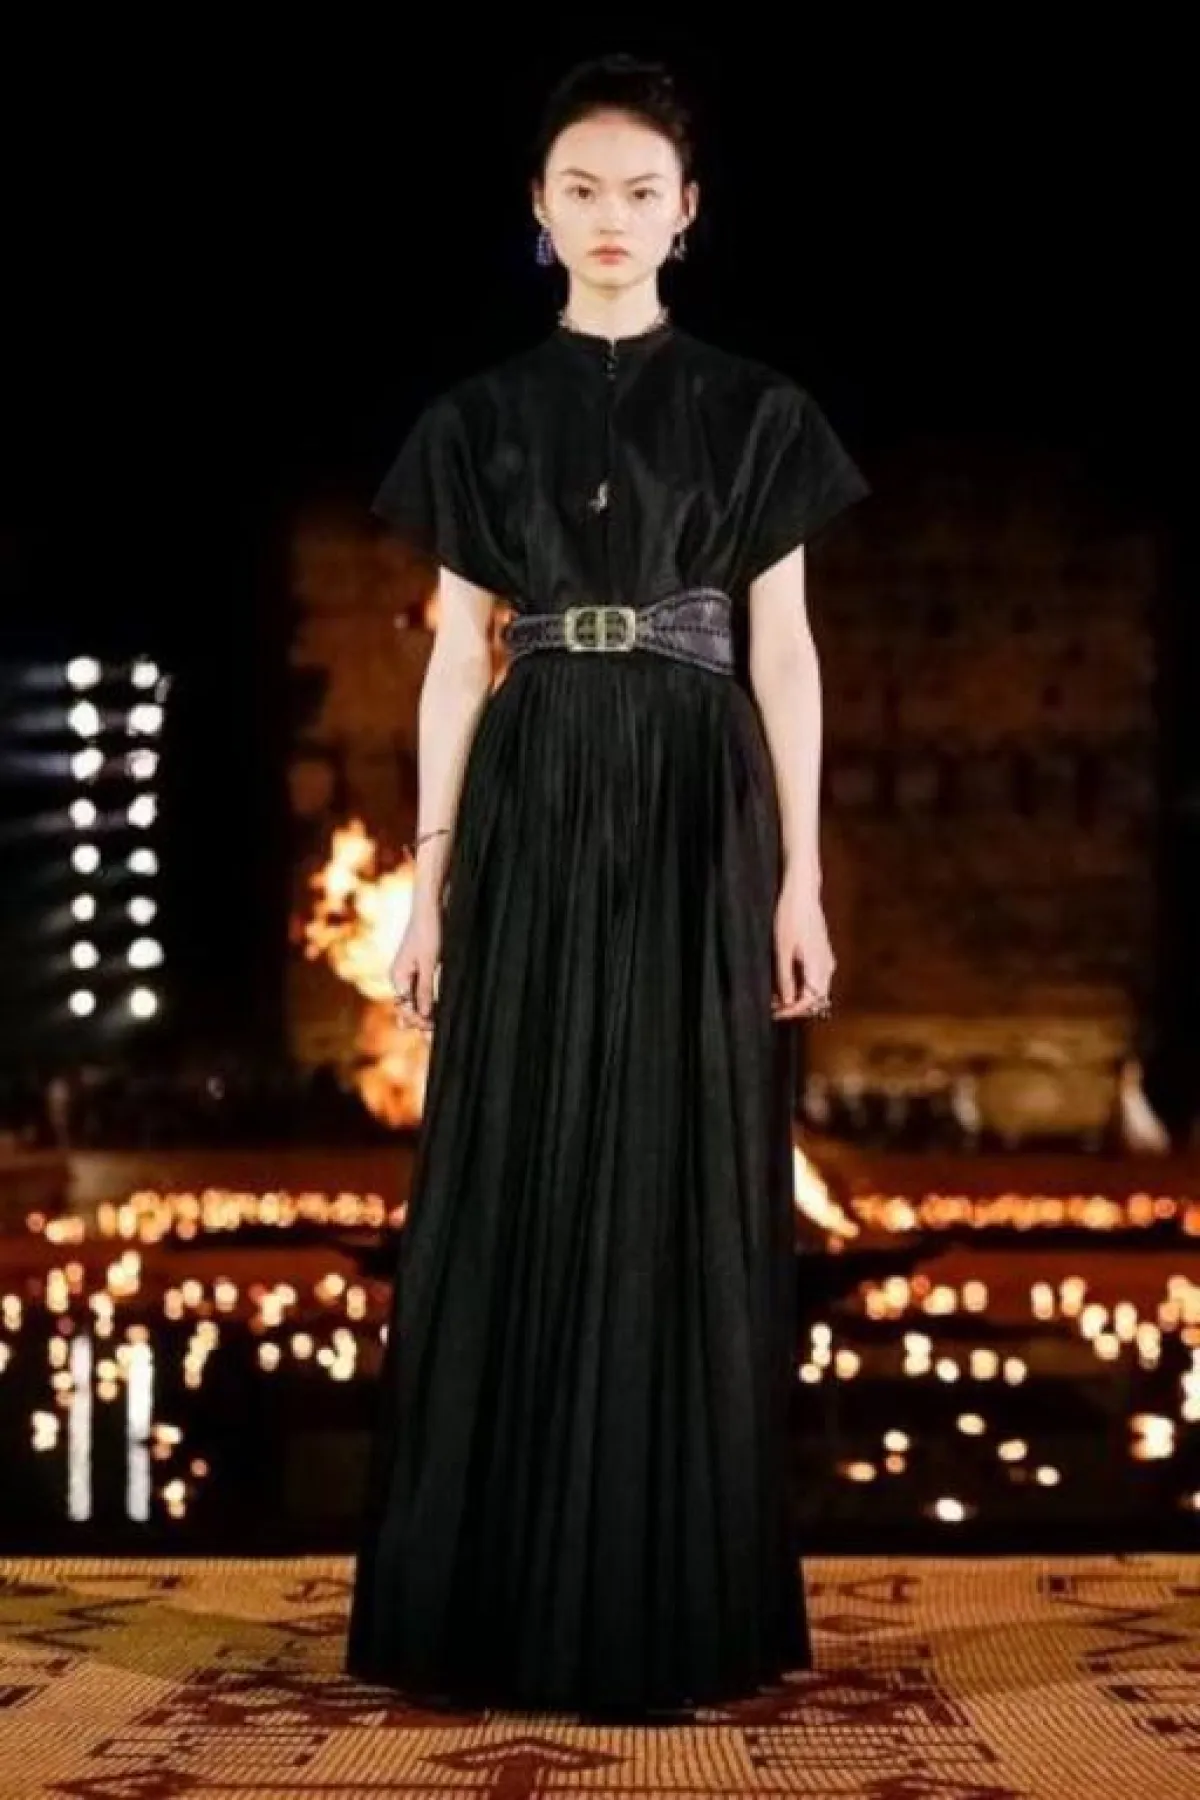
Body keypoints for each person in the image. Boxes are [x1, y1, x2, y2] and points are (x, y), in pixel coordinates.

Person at [344, 52, 869, 1719]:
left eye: (643, 191)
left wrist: (801, 881)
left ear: (689, 213)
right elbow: (454, 661)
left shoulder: (761, 414)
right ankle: (490, 1608)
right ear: (539, 208)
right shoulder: (479, 419)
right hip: (534, 780)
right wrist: (429, 887)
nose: (613, 217)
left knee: (684, 1158)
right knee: (515, 1150)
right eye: (582, 189)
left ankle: (669, 1609)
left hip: (702, 798)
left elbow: (786, 655)